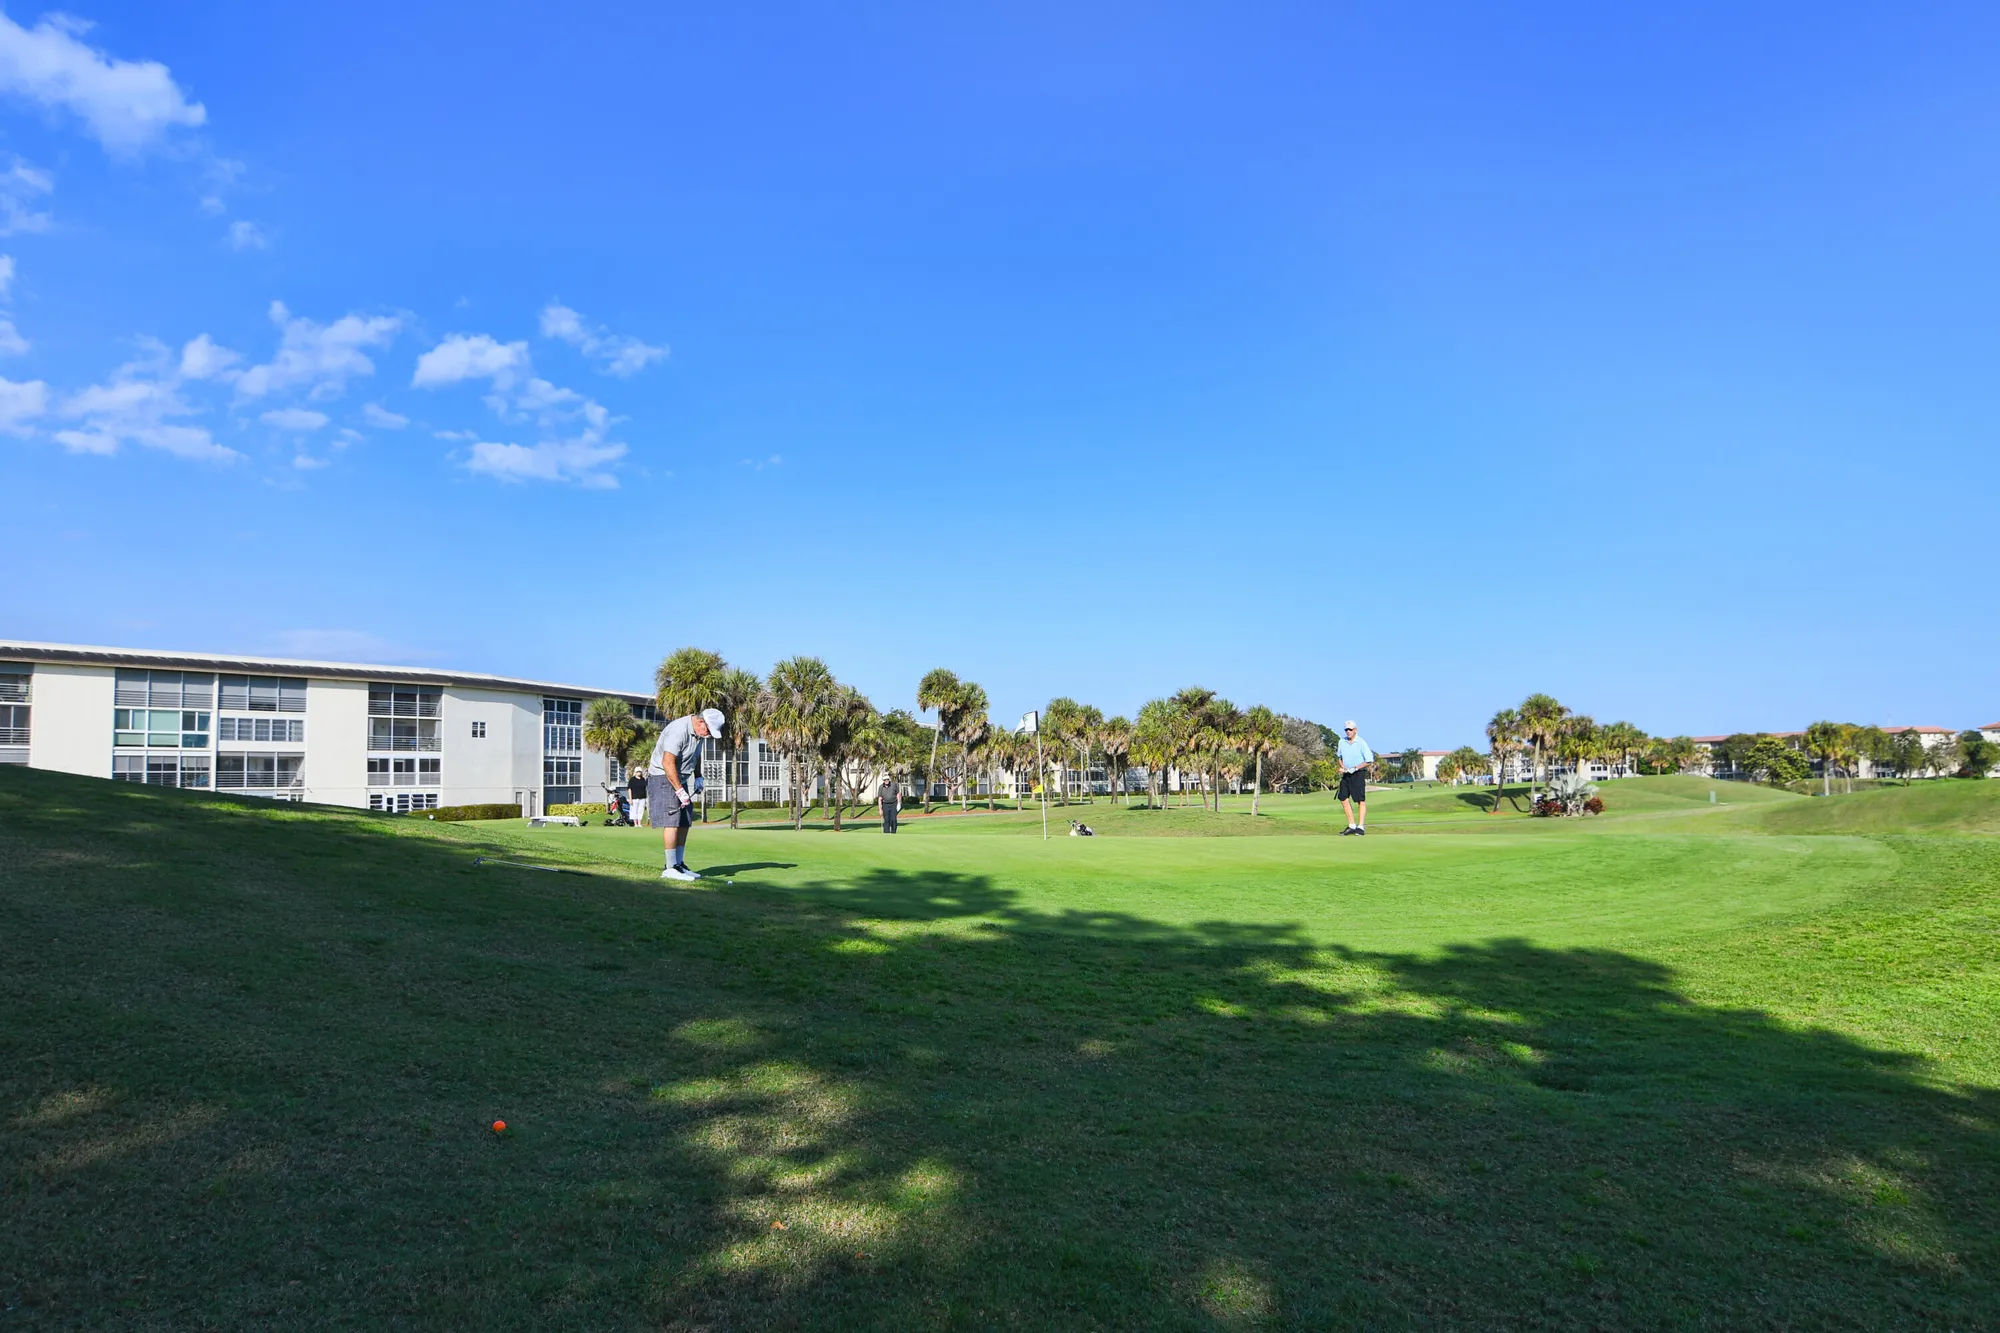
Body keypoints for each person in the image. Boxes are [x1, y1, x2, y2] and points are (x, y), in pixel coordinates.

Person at [651, 707, 725, 880]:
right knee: (673, 820)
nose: (708, 735)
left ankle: (678, 864)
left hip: (680, 777)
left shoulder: (699, 734)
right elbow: (667, 763)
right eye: (708, 730)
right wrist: (679, 790)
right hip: (663, 776)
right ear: (701, 722)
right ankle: (669, 868)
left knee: (685, 819)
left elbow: (695, 757)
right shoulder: (679, 730)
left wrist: (698, 777)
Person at [1336, 719, 1374, 835]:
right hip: (1346, 774)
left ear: (1355, 730)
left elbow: (1369, 760)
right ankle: (1351, 825)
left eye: (1350, 729)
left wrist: (1356, 768)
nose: (1348, 732)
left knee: (1360, 800)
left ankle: (1361, 827)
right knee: (1342, 797)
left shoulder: (1361, 742)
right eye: (1346, 729)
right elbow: (1339, 757)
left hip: (1358, 773)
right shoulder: (1341, 742)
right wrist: (1343, 767)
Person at [627, 765, 648, 829]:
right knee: (634, 811)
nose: (639, 773)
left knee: (640, 810)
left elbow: (645, 787)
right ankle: (635, 823)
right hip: (634, 798)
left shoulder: (643, 779)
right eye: (638, 772)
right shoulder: (632, 780)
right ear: (635, 772)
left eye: (640, 772)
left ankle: (639, 823)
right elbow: (629, 789)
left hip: (642, 798)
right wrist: (630, 798)